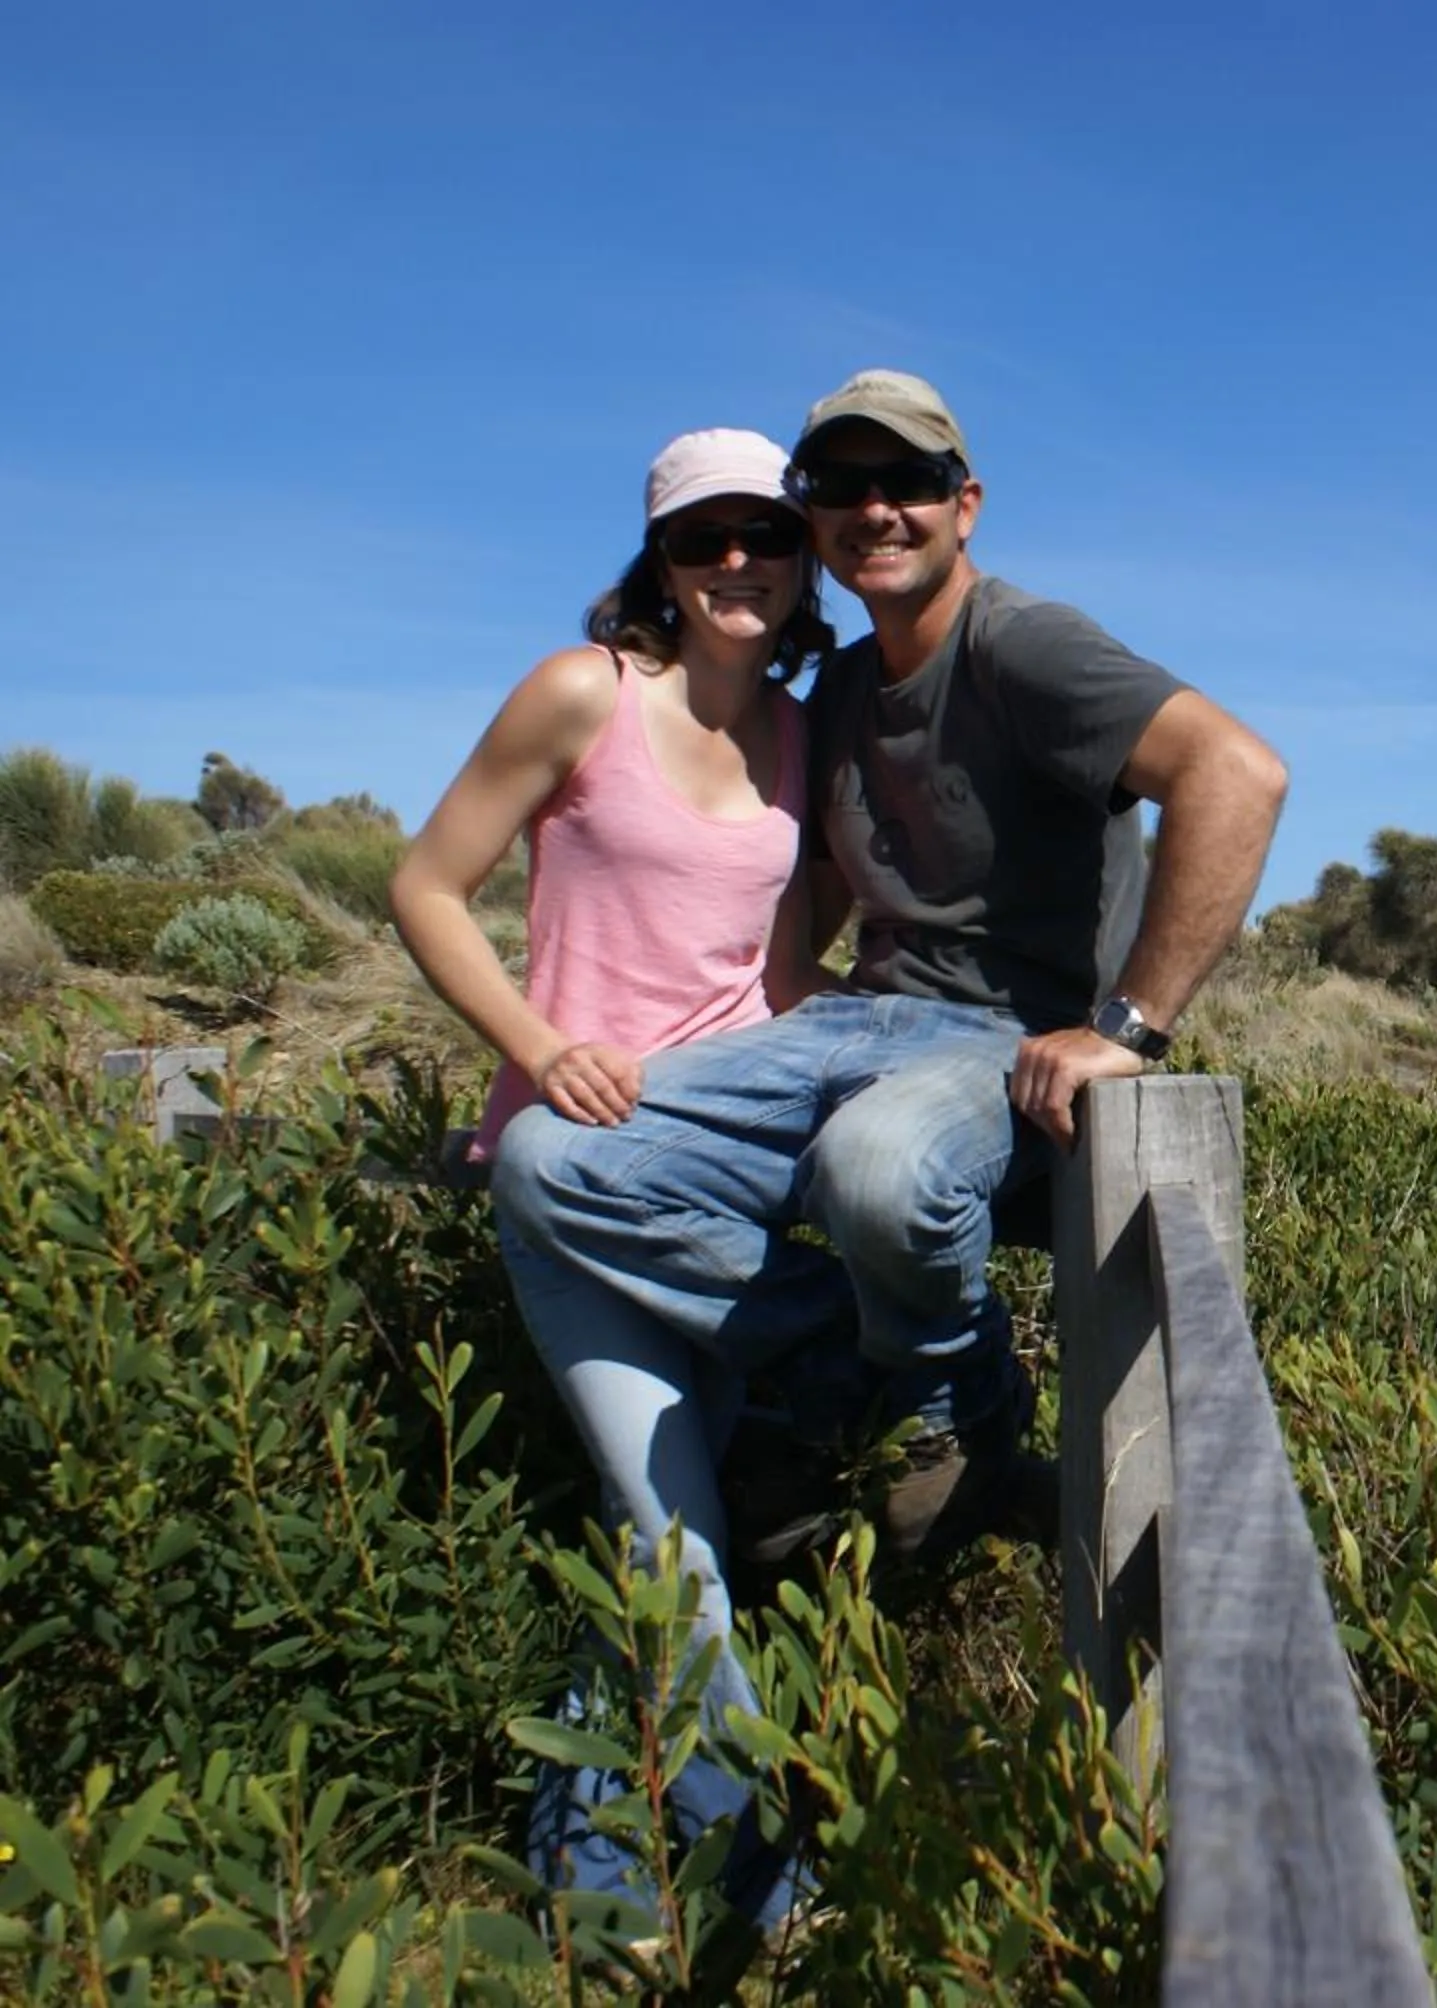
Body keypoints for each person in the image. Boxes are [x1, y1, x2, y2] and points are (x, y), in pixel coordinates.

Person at [488, 366, 1287, 1567]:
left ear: (963, 503)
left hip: (1000, 1040)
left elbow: (1237, 774)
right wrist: (786, 979)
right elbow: (807, 890)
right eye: (841, 486)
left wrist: (1126, 1026)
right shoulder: (845, 686)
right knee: (553, 1160)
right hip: (857, 1023)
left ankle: (934, 1419)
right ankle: (903, 1382)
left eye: (907, 481)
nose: (876, 510)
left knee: (877, 1167)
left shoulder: (1024, 646)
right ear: (814, 514)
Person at [390, 427, 832, 1939]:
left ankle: (598, 1886)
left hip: (724, 1179)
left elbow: (770, 979)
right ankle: (764, 1899)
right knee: (678, 1542)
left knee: (662, 1521)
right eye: (702, 538)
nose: (735, 565)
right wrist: (536, 1041)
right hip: (576, 1173)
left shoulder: (797, 736)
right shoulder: (585, 693)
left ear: (799, 556)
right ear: (659, 555)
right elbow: (424, 883)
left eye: (762, 538)